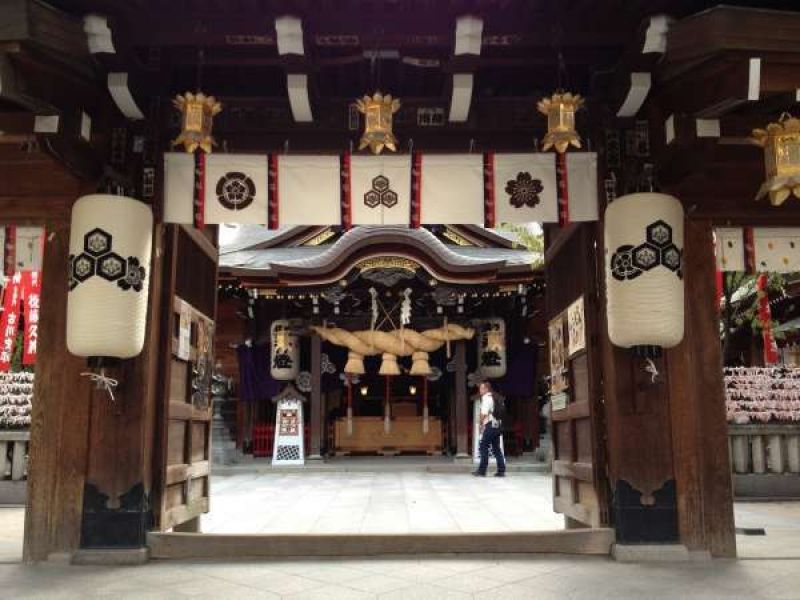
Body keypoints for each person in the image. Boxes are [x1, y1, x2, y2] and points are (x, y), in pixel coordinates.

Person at [472, 380, 506, 477]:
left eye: (482, 388)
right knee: (496, 448)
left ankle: (482, 470)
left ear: (486, 389)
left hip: (490, 425)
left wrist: (480, 423)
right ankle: (501, 470)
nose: (480, 390)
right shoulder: (494, 397)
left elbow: (484, 413)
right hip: (497, 425)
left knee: (483, 446)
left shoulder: (486, 398)